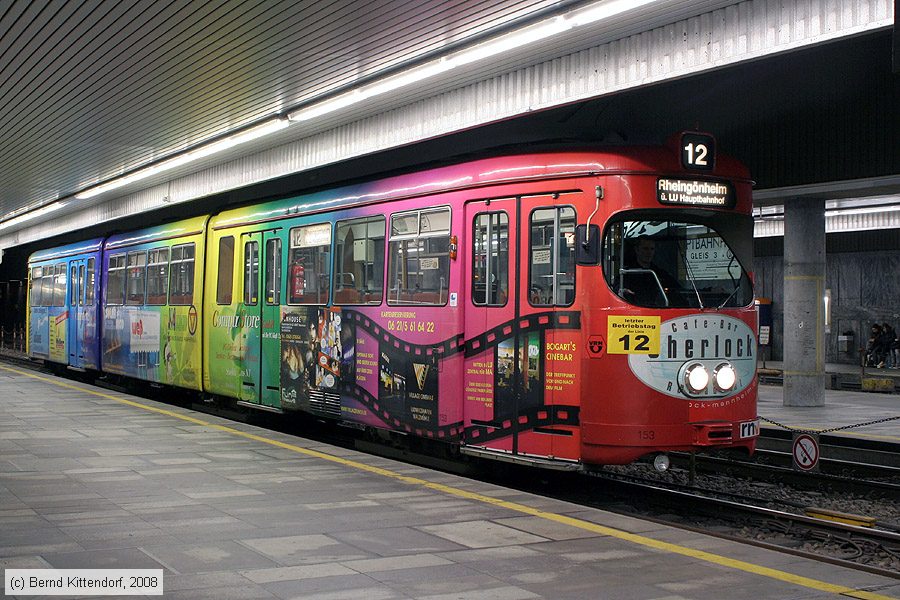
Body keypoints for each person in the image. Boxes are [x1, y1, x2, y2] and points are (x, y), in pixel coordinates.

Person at [621, 236, 680, 306]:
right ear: (637, 250)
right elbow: (618, 289)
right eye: (645, 249)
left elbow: (675, 288)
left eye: (652, 249)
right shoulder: (627, 272)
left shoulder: (659, 273)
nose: (649, 252)